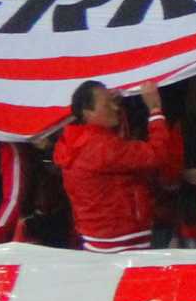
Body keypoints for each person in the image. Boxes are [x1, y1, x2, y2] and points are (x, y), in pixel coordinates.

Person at [54, 80, 182, 253]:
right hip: (123, 240)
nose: (115, 107)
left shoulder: (76, 143)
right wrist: (155, 111)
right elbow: (157, 154)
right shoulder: (103, 147)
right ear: (87, 112)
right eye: (107, 104)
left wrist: (114, 107)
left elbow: (115, 149)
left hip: (96, 237)